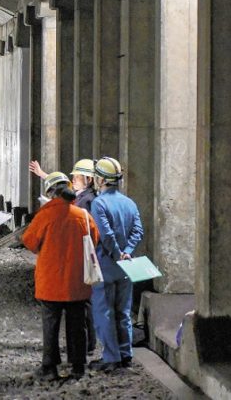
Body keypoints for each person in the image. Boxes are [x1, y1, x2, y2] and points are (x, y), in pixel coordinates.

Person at [22, 172, 100, 381]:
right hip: (78, 281)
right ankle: (78, 366)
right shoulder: (83, 215)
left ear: (51, 195)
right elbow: (95, 239)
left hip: (51, 281)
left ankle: (50, 367)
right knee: (77, 324)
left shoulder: (45, 216)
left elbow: (29, 242)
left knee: (51, 324)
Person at [87, 156, 144, 372]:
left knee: (104, 312)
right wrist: (128, 252)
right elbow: (138, 231)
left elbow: (105, 234)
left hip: (106, 265)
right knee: (123, 312)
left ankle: (111, 357)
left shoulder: (99, 203)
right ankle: (126, 354)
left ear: (100, 179)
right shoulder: (129, 203)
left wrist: (118, 253)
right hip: (126, 267)